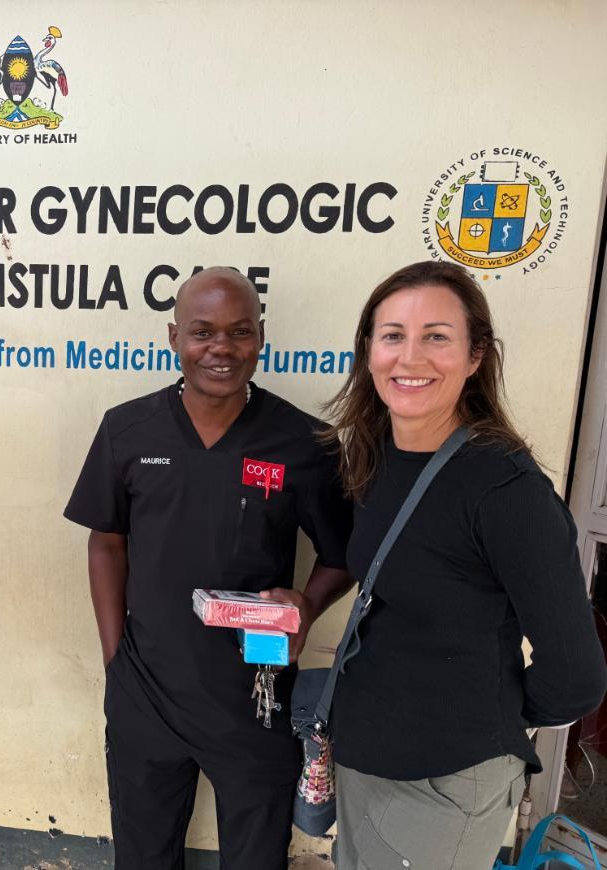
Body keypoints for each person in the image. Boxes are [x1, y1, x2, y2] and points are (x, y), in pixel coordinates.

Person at [64, 267, 355, 869]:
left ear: (261, 337)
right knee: (144, 856)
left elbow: (343, 554)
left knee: (254, 858)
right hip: (146, 689)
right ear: (174, 337)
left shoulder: (304, 442)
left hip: (256, 696)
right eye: (202, 332)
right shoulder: (127, 429)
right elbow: (106, 541)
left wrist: (305, 606)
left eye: (239, 332)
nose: (220, 348)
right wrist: (116, 657)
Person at [325, 260, 607, 869]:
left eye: (437, 337)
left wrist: (488, 724)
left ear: (476, 356)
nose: (410, 356)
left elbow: (578, 677)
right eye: (393, 334)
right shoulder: (377, 459)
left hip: (442, 784)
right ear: (368, 350)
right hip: (367, 759)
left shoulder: (504, 490)